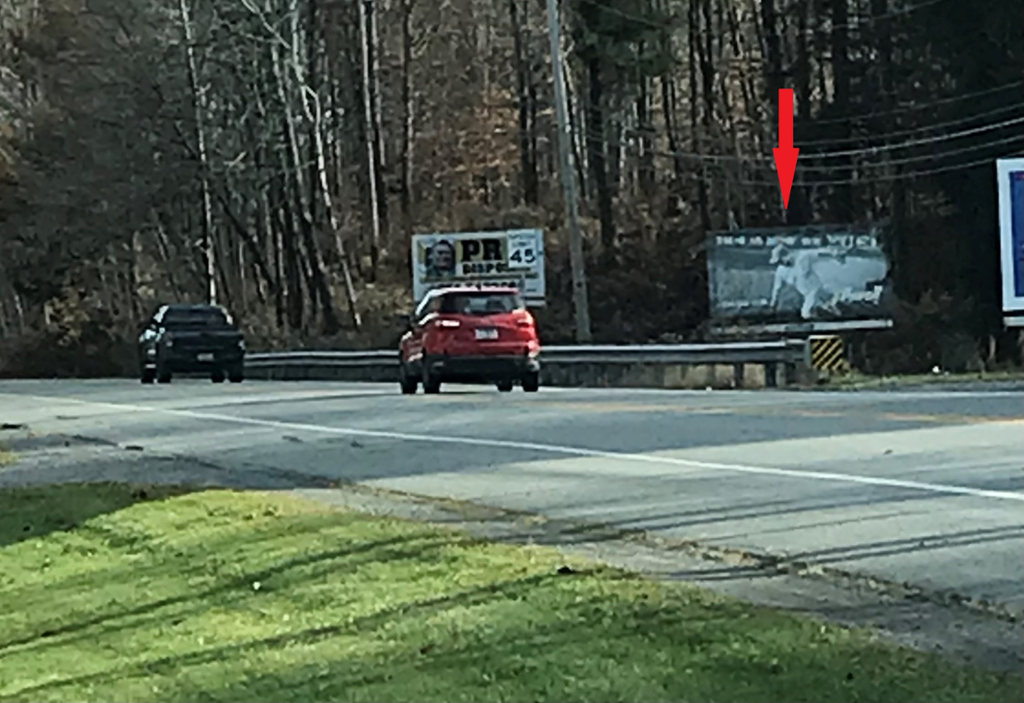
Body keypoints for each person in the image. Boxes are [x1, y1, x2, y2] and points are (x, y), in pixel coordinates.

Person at [768, 243, 844, 320]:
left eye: (781, 260)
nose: (781, 263)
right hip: (807, 295)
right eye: (779, 262)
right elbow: (777, 288)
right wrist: (773, 304)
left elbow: (819, 253)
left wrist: (834, 255)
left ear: (788, 255)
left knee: (806, 313)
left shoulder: (803, 257)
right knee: (825, 310)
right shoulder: (781, 271)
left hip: (816, 290)